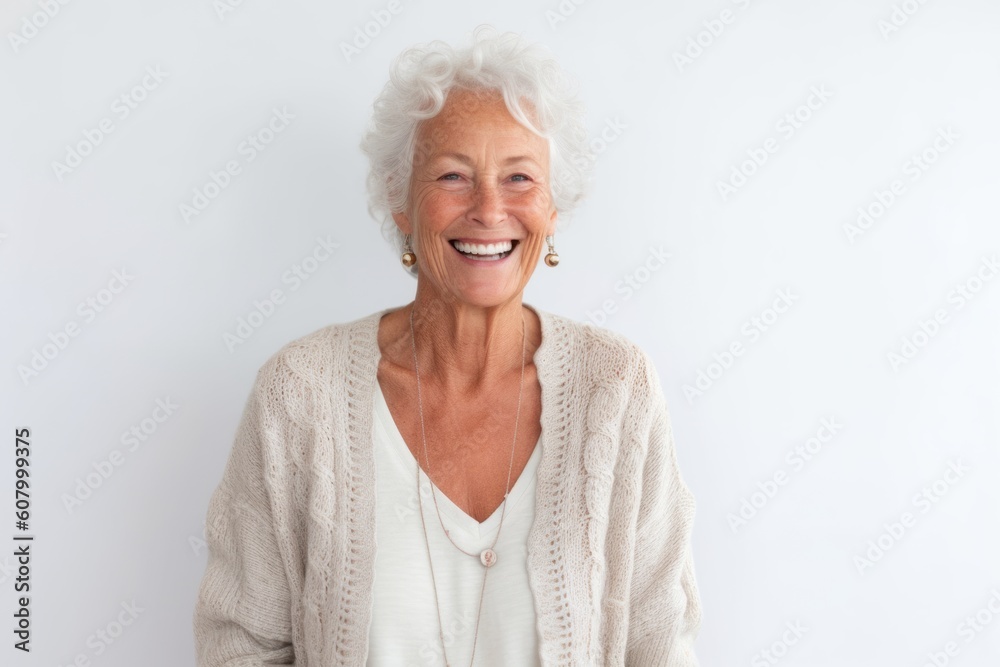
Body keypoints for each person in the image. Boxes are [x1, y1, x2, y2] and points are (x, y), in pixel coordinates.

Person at [193, 25, 701, 666]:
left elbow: (660, 645)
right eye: (453, 176)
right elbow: (238, 644)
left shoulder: (616, 388)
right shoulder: (301, 393)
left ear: (553, 209)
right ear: (400, 203)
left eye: (519, 177)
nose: (489, 209)